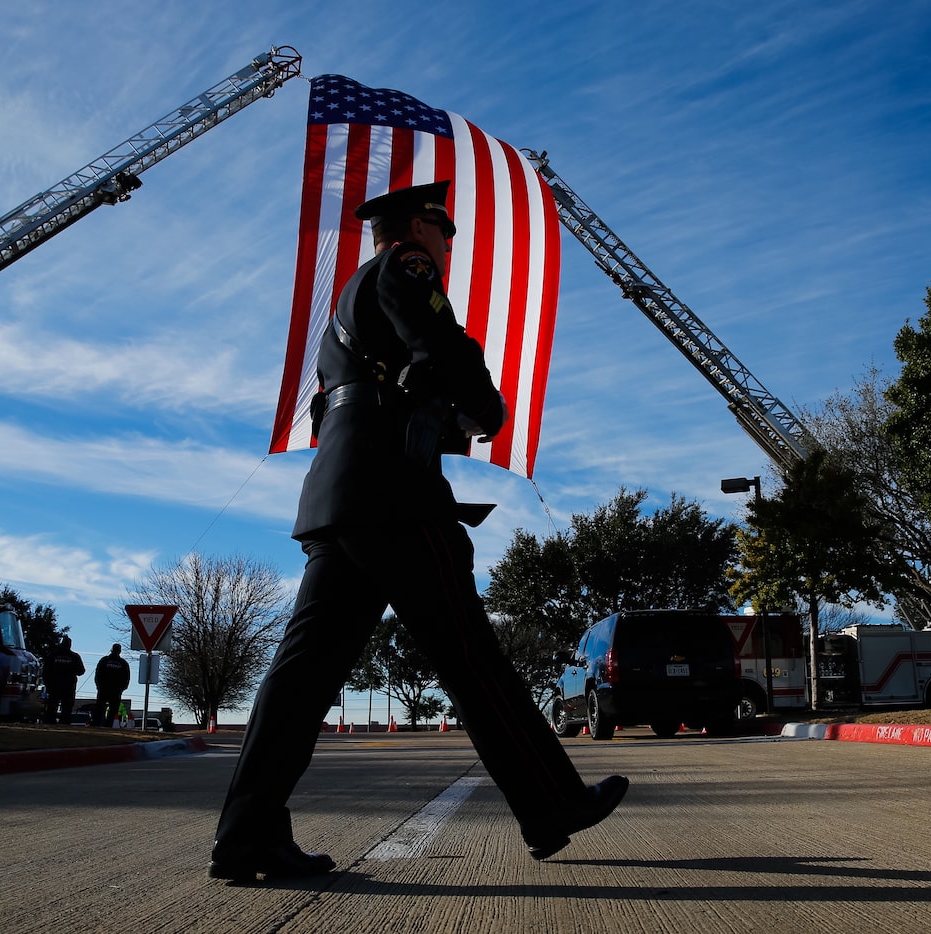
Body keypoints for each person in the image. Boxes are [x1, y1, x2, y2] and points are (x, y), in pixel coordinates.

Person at [207, 181, 627, 883]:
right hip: (393, 497)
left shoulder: (348, 300)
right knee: (470, 657)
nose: (448, 245)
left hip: (338, 500)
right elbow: (441, 351)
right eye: (444, 231)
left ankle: (247, 834)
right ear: (415, 230)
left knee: (300, 681)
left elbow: (357, 393)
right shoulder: (404, 268)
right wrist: (482, 410)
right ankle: (551, 804)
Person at [42, 635, 86, 725]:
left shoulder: (53, 655)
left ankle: (50, 722)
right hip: (68, 686)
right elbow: (81, 671)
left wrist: (48, 683)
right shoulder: (74, 657)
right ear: (70, 645)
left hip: (55, 685)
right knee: (66, 707)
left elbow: (45, 671)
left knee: (52, 705)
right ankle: (64, 723)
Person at [93, 643, 130, 728]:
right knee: (111, 709)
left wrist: (99, 686)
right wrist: (122, 688)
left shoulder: (105, 660)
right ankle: (106, 724)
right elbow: (126, 677)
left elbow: (98, 674)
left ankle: (96, 724)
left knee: (102, 707)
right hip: (111, 689)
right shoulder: (122, 663)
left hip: (108, 689)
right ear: (119, 651)